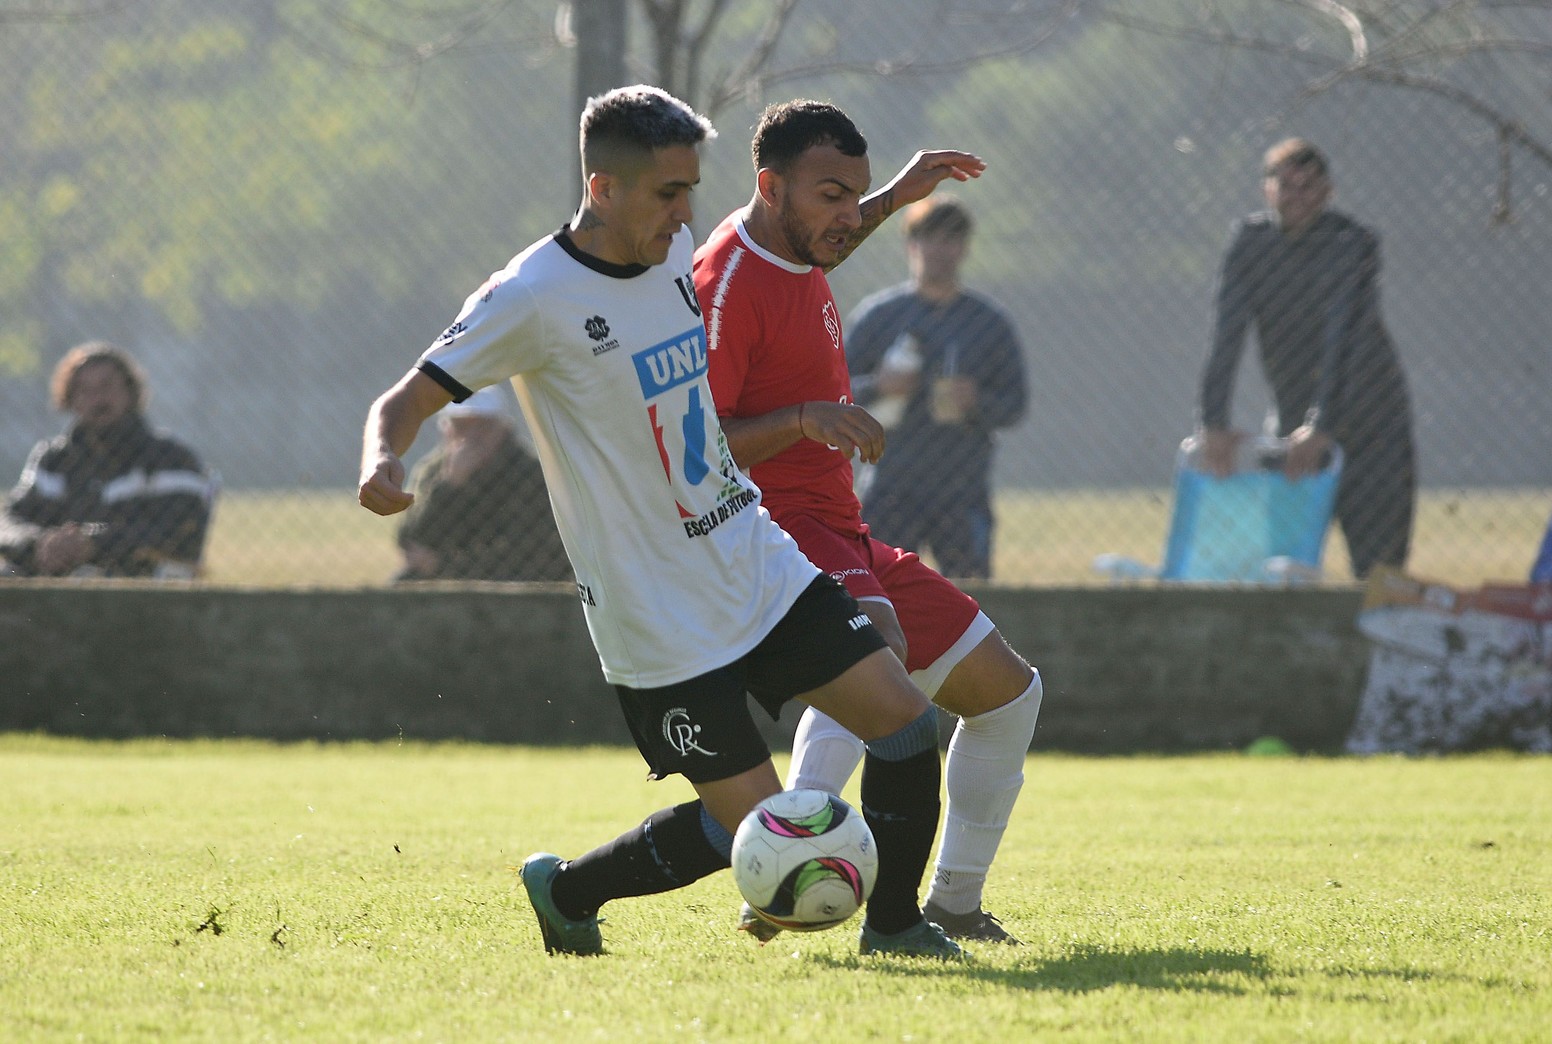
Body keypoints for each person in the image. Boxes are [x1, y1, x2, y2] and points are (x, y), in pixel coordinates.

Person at [358, 85, 963, 960]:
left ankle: (897, 927)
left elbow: (803, 246)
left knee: (906, 729)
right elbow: (405, 397)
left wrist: (886, 202)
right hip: (655, 612)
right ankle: (566, 890)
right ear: (603, 188)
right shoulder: (531, 295)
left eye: (690, 189)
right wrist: (381, 460)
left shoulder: (674, 244)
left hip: (752, 555)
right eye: (667, 193)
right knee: (751, 834)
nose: (687, 214)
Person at [694, 100, 1044, 945]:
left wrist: (895, 192)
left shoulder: (799, 243)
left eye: (855, 196)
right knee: (877, 659)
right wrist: (806, 418)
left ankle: (955, 900)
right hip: (777, 525)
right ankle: (785, 873)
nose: (847, 218)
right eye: (830, 196)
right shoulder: (728, 282)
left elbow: (838, 230)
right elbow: (695, 446)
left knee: (1008, 695)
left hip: (844, 526)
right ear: (769, 186)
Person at [1197, 137, 1416, 580]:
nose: (1295, 196)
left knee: (1379, 571)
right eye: (1284, 185)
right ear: (1266, 189)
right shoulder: (1249, 243)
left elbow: (1342, 337)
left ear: (1327, 191)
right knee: (1283, 563)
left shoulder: (1352, 244)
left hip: (1372, 421)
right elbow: (1226, 336)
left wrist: (1321, 426)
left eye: (1307, 186)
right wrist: (1213, 424)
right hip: (1294, 417)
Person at [845, 194, 1028, 580]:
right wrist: (879, 385)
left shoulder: (988, 323)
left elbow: (1016, 404)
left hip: (962, 485)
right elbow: (833, 394)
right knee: (880, 587)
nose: (940, 250)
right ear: (912, 244)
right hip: (892, 479)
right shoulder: (879, 317)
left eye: (951, 239)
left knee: (973, 593)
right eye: (930, 238)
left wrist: (975, 400)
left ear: (964, 248)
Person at [0, 341, 214, 579]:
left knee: (87, 579)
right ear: (69, 398)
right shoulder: (54, 460)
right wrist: (39, 544)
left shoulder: (170, 457)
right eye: (84, 390)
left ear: (131, 391)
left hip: (145, 586)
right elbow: (9, 522)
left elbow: (178, 528)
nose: (97, 399)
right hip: (63, 575)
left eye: (107, 385)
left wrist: (94, 543)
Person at [394, 384, 572, 583]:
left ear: (504, 428)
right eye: (460, 426)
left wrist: (443, 566)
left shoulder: (529, 472)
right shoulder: (434, 469)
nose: (471, 437)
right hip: (445, 575)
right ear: (445, 429)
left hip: (517, 584)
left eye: (482, 426)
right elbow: (412, 538)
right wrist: (450, 484)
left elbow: (528, 556)